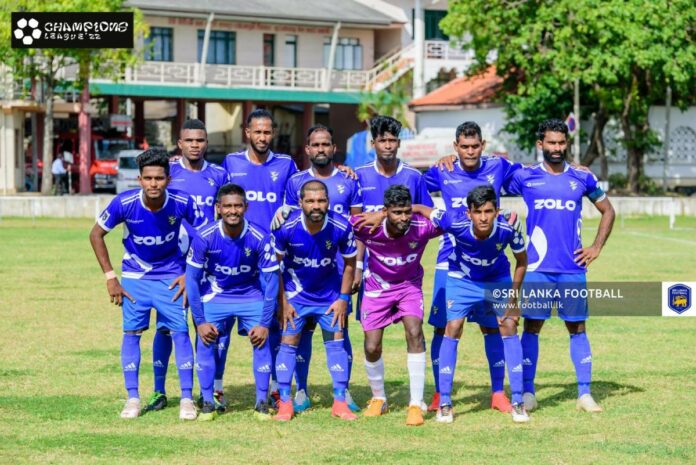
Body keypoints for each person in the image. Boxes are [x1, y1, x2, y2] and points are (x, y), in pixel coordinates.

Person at [505, 118, 615, 413]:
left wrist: (596, 247)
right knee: (532, 327)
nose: (557, 148)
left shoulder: (582, 177)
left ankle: (584, 394)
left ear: (567, 144)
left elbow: (608, 210)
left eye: (561, 143)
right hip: (537, 267)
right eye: (551, 143)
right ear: (540, 144)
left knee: (577, 327)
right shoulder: (525, 177)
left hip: (571, 268)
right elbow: (490, 175)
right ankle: (528, 392)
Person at [88, 149, 199, 420]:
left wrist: (189, 273)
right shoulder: (124, 203)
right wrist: (110, 277)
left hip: (171, 277)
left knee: (181, 334)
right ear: (139, 180)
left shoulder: (183, 202)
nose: (153, 184)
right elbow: (95, 234)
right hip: (135, 279)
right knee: (132, 335)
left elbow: (204, 236)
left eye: (159, 178)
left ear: (168, 179)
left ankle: (186, 398)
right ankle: (133, 398)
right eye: (148, 178)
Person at [422, 121, 522, 413]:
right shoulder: (443, 170)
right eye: (463, 146)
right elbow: (414, 188)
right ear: (455, 147)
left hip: (491, 260)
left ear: (482, 145)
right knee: (445, 328)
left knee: (494, 328)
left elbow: (530, 174)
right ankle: (442, 395)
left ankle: (498, 393)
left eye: (474, 146)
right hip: (450, 262)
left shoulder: (498, 166)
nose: (469, 151)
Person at [410, 185, 529, 423]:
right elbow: (424, 209)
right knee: (452, 327)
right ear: (468, 213)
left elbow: (522, 261)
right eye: (478, 212)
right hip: (461, 279)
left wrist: (514, 299)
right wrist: (398, 209)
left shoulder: (508, 230)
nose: (483, 217)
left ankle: (517, 400)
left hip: (496, 279)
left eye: (488, 211)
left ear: (496, 211)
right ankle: (444, 402)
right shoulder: (454, 222)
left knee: (508, 325)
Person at [148, 119, 228, 414]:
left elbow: (227, 211)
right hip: (172, 264)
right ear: (179, 143)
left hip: (209, 262)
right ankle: (159, 390)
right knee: (167, 327)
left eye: (200, 140)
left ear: (206, 143)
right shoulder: (168, 173)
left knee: (209, 327)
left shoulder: (219, 174)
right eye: (189, 140)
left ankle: (212, 390)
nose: (195, 145)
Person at [282, 125, 363, 413]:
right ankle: (300, 389)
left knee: (340, 331)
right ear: (307, 149)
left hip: (340, 271)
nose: (321, 149)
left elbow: (359, 226)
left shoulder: (349, 180)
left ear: (334, 147)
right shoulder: (295, 182)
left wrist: (360, 266)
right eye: (315, 145)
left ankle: (344, 390)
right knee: (300, 331)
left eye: (326, 144)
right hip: (302, 271)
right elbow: (290, 222)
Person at [223, 109, 299, 406]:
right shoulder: (231, 163)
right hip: (237, 255)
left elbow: (297, 198)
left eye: (268, 132)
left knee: (278, 322)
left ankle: (280, 388)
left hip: (275, 256)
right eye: (258, 132)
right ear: (247, 132)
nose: (263, 137)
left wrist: (287, 210)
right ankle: (216, 386)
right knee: (226, 324)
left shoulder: (286, 164)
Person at [185, 184, 279, 421]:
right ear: (218, 208)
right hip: (216, 295)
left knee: (261, 340)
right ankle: (207, 401)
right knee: (205, 341)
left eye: (238, 205)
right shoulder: (204, 236)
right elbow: (192, 282)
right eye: (227, 206)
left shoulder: (260, 237)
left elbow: (272, 283)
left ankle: (261, 402)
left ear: (246, 207)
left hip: (250, 295)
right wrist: (200, 322)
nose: (233, 211)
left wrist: (265, 323)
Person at [350, 185, 442, 426]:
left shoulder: (421, 227)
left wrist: (420, 209)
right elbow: (335, 222)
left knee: (415, 332)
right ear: (385, 211)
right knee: (372, 346)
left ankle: (415, 404)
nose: (403, 218)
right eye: (396, 212)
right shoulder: (369, 227)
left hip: (409, 286)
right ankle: (379, 398)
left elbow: (451, 219)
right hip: (377, 288)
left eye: (406, 212)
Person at [272, 180, 358, 422]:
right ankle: (286, 403)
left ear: (328, 202)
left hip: (329, 296)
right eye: (310, 201)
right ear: (300, 203)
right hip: (295, 296)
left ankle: (340, 402)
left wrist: (343, 298)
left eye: (321, 200)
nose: (316, 205)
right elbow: (274, 266)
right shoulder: (286, 227)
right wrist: (283, 301)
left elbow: (350, 264)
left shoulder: (341, 226)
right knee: (288, 342)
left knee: (336, 344)